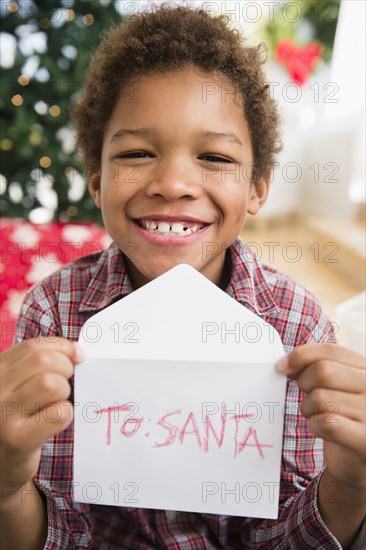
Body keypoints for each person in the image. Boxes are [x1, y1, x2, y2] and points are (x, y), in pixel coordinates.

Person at [0, 4, 365, 549]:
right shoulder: (53, 312)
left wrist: (352, 483)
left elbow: (289, 537)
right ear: (97, 182)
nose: (173, 183)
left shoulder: (295, 322)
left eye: (215, 157)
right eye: (138, 152)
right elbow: (53, 534)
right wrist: (6, 486)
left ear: (258, 187)